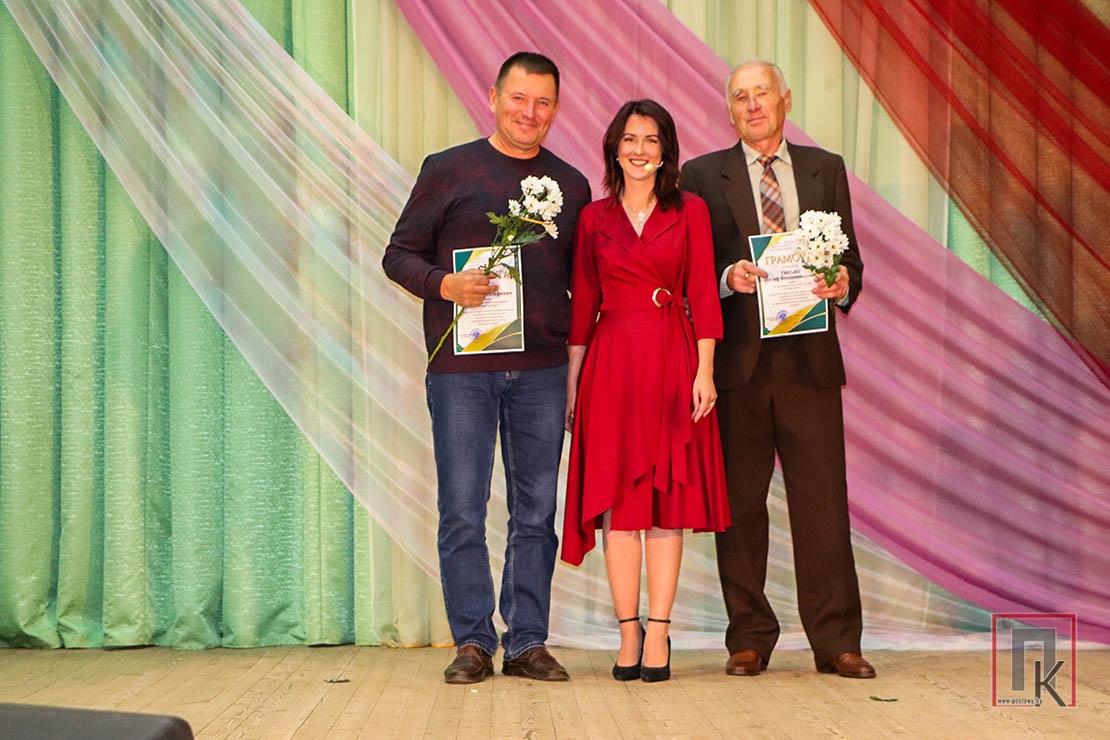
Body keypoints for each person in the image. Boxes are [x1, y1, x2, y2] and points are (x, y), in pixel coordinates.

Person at [382, 52, 590, 685]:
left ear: (556, 109)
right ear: (494, 97)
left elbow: (585, 284)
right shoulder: (448, 169)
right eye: (519, 98)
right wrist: (444, 284)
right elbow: (398, 254)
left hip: (543, 372)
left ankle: (527, 642)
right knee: (462, 510)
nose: (530, 112)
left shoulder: (572, 186)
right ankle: (472, 640)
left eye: (543, 102)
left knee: (536, 513)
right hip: (461, 372)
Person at [680, 61, 875, 679]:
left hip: (808, 362)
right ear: (729, 111)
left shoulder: (826, 169)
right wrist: (726, 278)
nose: (752, 104)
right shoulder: (700, 175)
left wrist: (841, 283)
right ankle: (748, 636)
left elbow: (850, 262)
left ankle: (837, 640)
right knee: (739, 508)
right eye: (740, 96)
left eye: (761, 92)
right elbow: (689, 270)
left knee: (823, 505)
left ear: (785, 99)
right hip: (737, 365)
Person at [561, 100, 730, 683]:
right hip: (610, 366)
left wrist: (704, 371)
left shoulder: (691, 211)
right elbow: (583, 304)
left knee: (663, 505)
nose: (639, 150)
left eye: (651, 140)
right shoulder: (593, 218)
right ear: (614, 147)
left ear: (665, 151)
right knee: (619, 505)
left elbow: (703, 293)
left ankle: (659, 631)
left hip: (670, 358)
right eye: (629, 139)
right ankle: (627, 630)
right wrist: (573, 382)